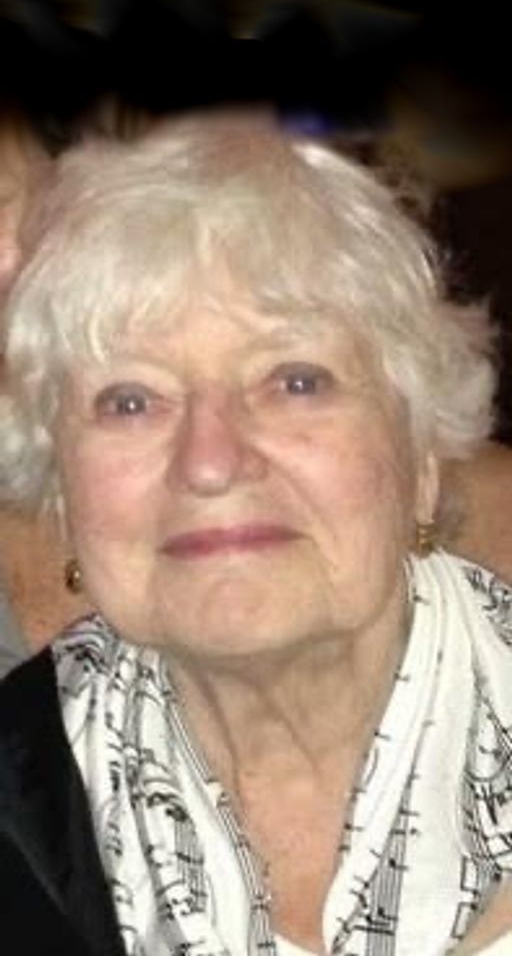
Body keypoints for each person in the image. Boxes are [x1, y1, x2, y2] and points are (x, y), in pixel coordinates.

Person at [0, 110, 511, 956]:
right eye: (131, 400)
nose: (210, 462)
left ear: (423, 460)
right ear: (61, 488)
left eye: (295, 381)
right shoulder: (21, 801)